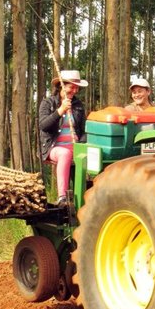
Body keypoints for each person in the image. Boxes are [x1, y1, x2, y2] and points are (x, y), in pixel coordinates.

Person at [39, 70, 88, 207]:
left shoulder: (78, 105)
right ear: (61, 86)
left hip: (75, 146)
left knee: (94, 154)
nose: (74, 90)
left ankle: (85, 197)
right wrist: (60, 111)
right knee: (65, 153)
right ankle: (62, 197)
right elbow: (43, 126)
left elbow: (83, 130)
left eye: (76, 87)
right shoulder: (48, 103)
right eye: (71, 87)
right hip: (54, 147)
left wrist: (82, 144)